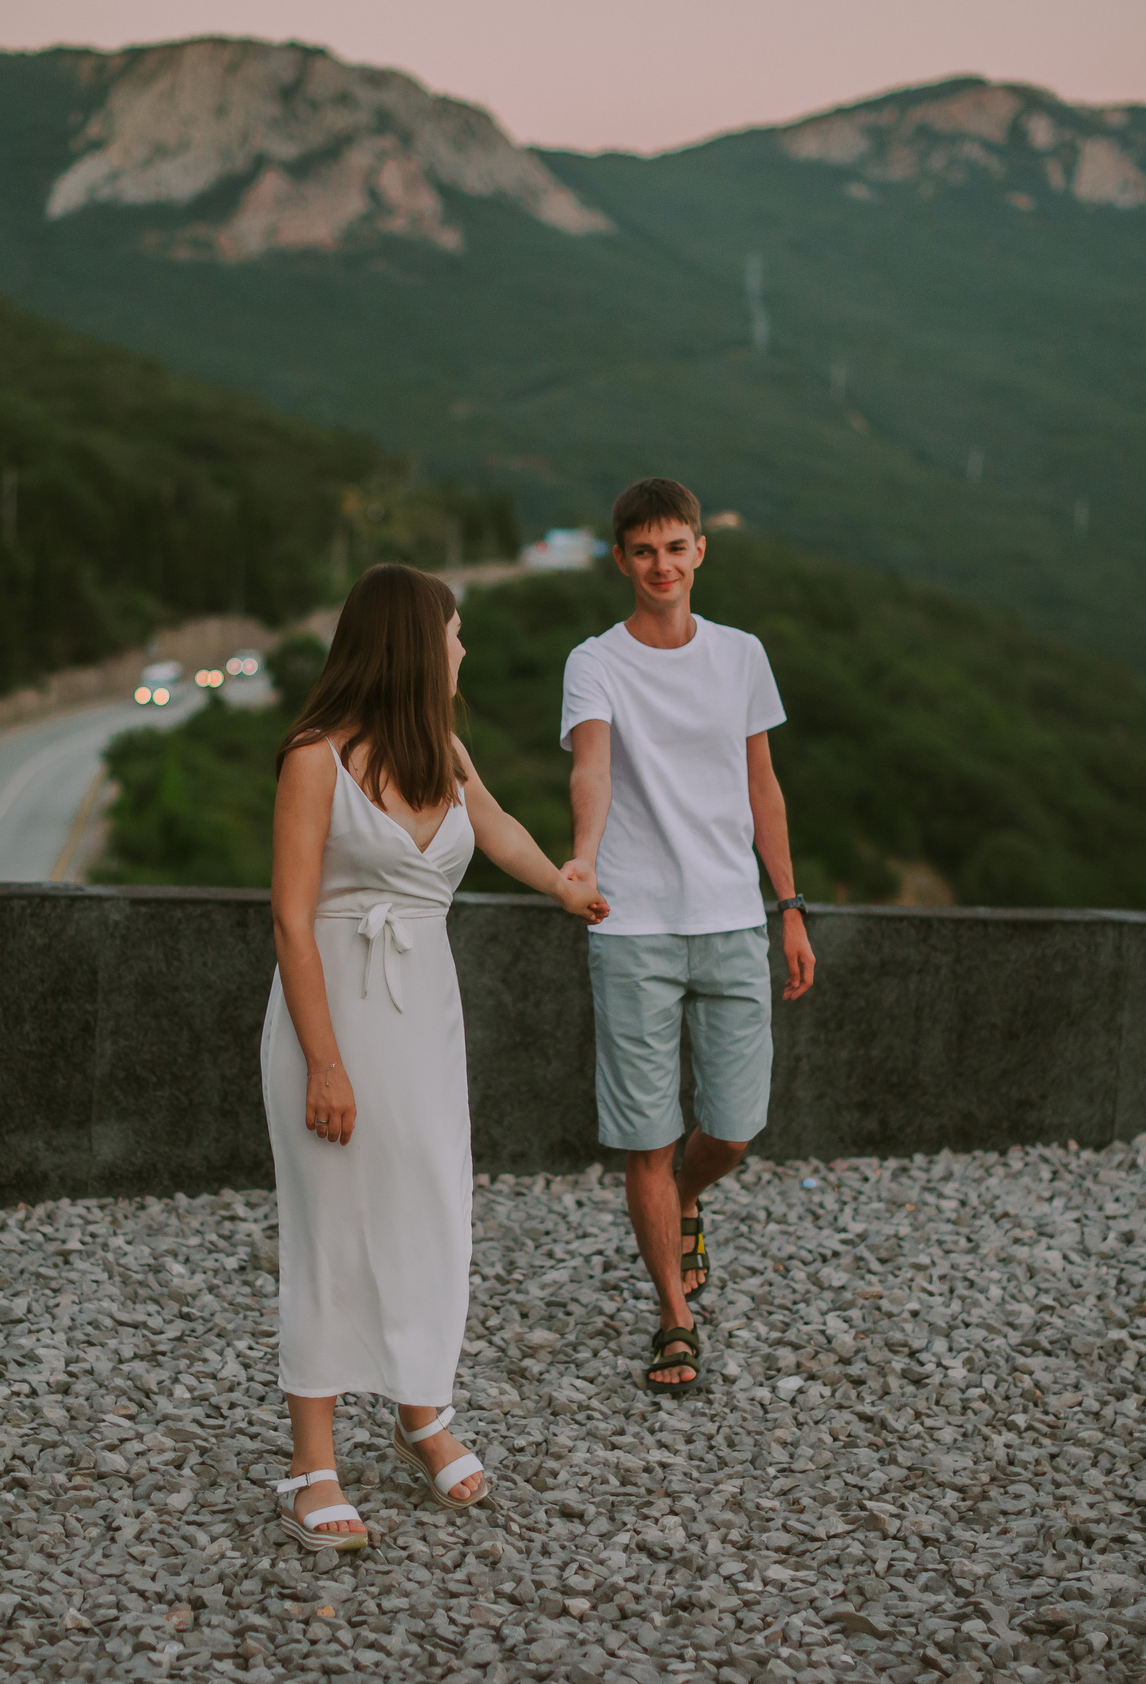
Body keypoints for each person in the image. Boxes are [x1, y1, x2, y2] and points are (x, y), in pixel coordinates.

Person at [261, 562, 608, 1551]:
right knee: (331, 1223)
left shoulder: (443, 752)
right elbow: (289, 920)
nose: (462, 649)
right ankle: (312, 1460)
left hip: (423, 1017)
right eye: (452, 633)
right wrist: (325, 1064)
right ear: (414, 642)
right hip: (332, 1006)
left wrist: (563, 885)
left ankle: (422, 1409)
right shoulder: (312, 756)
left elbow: (494, 827)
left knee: (431, 1206)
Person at [559, 478, 817, 1397]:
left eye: (675, 547)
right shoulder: (594, 662)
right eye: (642, 550)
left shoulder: (742, 655)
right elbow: (592, 766)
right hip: (631, 923)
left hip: (732, 917)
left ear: (700, 550)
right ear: (620, 559)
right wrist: (582, 862)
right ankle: (674, 1317)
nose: (660, 565)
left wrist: (789, 906)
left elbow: (764, 787)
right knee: (644, 1138)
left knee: (736, 1128)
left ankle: (690, 1199)